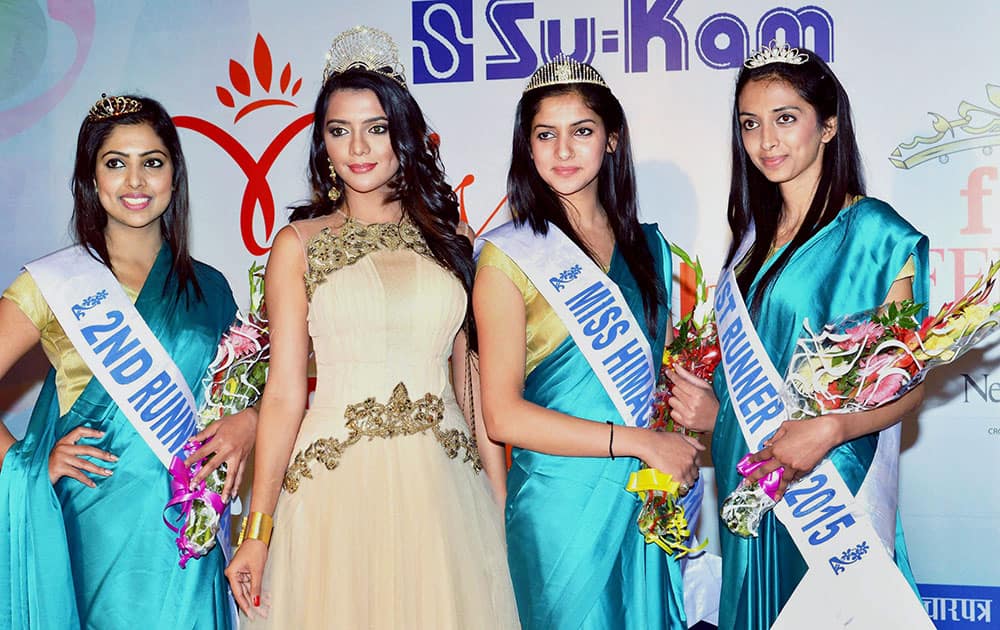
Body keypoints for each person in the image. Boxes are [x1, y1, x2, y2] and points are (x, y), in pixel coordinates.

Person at [225, 26, 518, 628]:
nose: (358, 146)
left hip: (444, 491)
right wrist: (257, 529)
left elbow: (472, 381)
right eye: (339, 130)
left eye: (376, 128)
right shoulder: (298, 245)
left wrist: (497, 502)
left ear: (403, 136)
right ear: (323, 144)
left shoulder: (453, 241)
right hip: (335, 488)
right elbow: (282, 393)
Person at [686, 43, 929, 629]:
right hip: (752, 478)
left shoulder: (876, 233)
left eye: (785, 118)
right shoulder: (748, 241)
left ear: (829, 125)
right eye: (750, 124)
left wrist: (833, 428)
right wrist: (712, 411)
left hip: (830, 485)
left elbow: (910, 385)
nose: (766, 141)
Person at [0, 94, 257, 629]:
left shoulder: (211, 288)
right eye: (116, 163)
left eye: (152, 162)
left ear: (174, 175)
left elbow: (248, 392)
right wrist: (27, 464)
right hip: (96, 521)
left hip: (186, 526)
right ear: (91, 179)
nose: (135, 181)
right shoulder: (53, 284)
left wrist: (248, 424)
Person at [473, 55, 703, 630]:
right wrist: (641, 443)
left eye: (582, 132)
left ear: (613, 140)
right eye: (545, 135)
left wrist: (680, 432)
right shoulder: (508, 256)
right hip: (559, 506)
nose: (563, 151)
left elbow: (660, 383)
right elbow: (501, 415)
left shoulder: (650, 251)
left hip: (643, 494)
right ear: (528, 148)